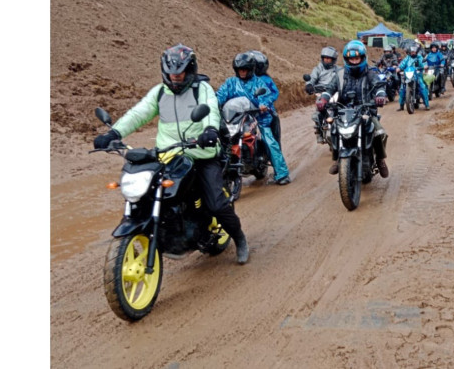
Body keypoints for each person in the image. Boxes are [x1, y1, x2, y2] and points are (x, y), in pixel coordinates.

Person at [93, 44, 250, 264]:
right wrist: (114, 132)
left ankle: (240, 238)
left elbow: (210, 110)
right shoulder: (159, 93)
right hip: (169, 155)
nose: (176, 78)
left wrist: (210, 130)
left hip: (201, 152)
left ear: (190, 69)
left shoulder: (201, 89)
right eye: (171, 74)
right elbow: (138, 113)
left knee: (216, 204)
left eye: (180, 73)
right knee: (146, 192)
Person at [316, 40, 390, 177]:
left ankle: (380, 159)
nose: (354, 61)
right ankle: (337, 159)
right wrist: (323, 99)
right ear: (346, 59)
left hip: (365, 112)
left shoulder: (370, 74)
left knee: (379, 133)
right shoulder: (340, 75)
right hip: (343, 112)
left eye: (357, 58)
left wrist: (380, 96)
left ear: (362, 58)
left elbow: (379, 87)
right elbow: (329, 89)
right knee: (330, 132)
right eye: (351, 59)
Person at [216, 52, 292, 186]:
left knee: (269, 140)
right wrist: (215, 103)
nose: (242, 72)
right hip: (236, 118)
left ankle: (282, 173)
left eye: (245, 69)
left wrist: (263, 104)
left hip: (259, 117)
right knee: (218, 140)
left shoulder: (258, 82)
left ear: (251, 69)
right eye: (240, 69)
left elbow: (267, 95)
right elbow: (221, 95)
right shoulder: (231, 83)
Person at [304, 46, 340, 144]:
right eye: (325, 58)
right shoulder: (318, 69)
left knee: (342, 107)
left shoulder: (339, 69)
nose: (327, 60)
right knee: (319, 109)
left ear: (333, 60)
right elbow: (311, 79)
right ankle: (319, 131)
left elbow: (343, 78)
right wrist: (309, 85)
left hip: (335, 93)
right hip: (321, 92)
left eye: (329, 59)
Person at [398, 42, 431, 110]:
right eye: (412, 52)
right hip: (408, 75)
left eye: (414, 52)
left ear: (416, 51)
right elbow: (402, 64)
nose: (413, 53)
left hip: (417, 75)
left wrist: (425, 66)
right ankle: (401, 106)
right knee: (402, 89)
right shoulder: (407, 58)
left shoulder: (419, 57)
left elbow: (423, 62)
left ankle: (426, 104)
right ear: (409, 52)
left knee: (422, 87)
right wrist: (399, 68)